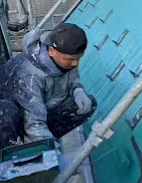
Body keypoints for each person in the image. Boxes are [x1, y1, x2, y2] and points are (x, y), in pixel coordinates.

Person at [0, 23, 96, 151]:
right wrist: (52, 153)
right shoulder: (29, 74)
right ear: (51, 51)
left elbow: (72, 79)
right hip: (8, 118)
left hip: (35, 108)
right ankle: (15, 154)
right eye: (70, 59)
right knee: (7, 112)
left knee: (85, 105)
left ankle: (43, 142)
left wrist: (77, 90)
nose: (75, 63)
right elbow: (33, 122)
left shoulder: (65, 57)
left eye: (78, 59)